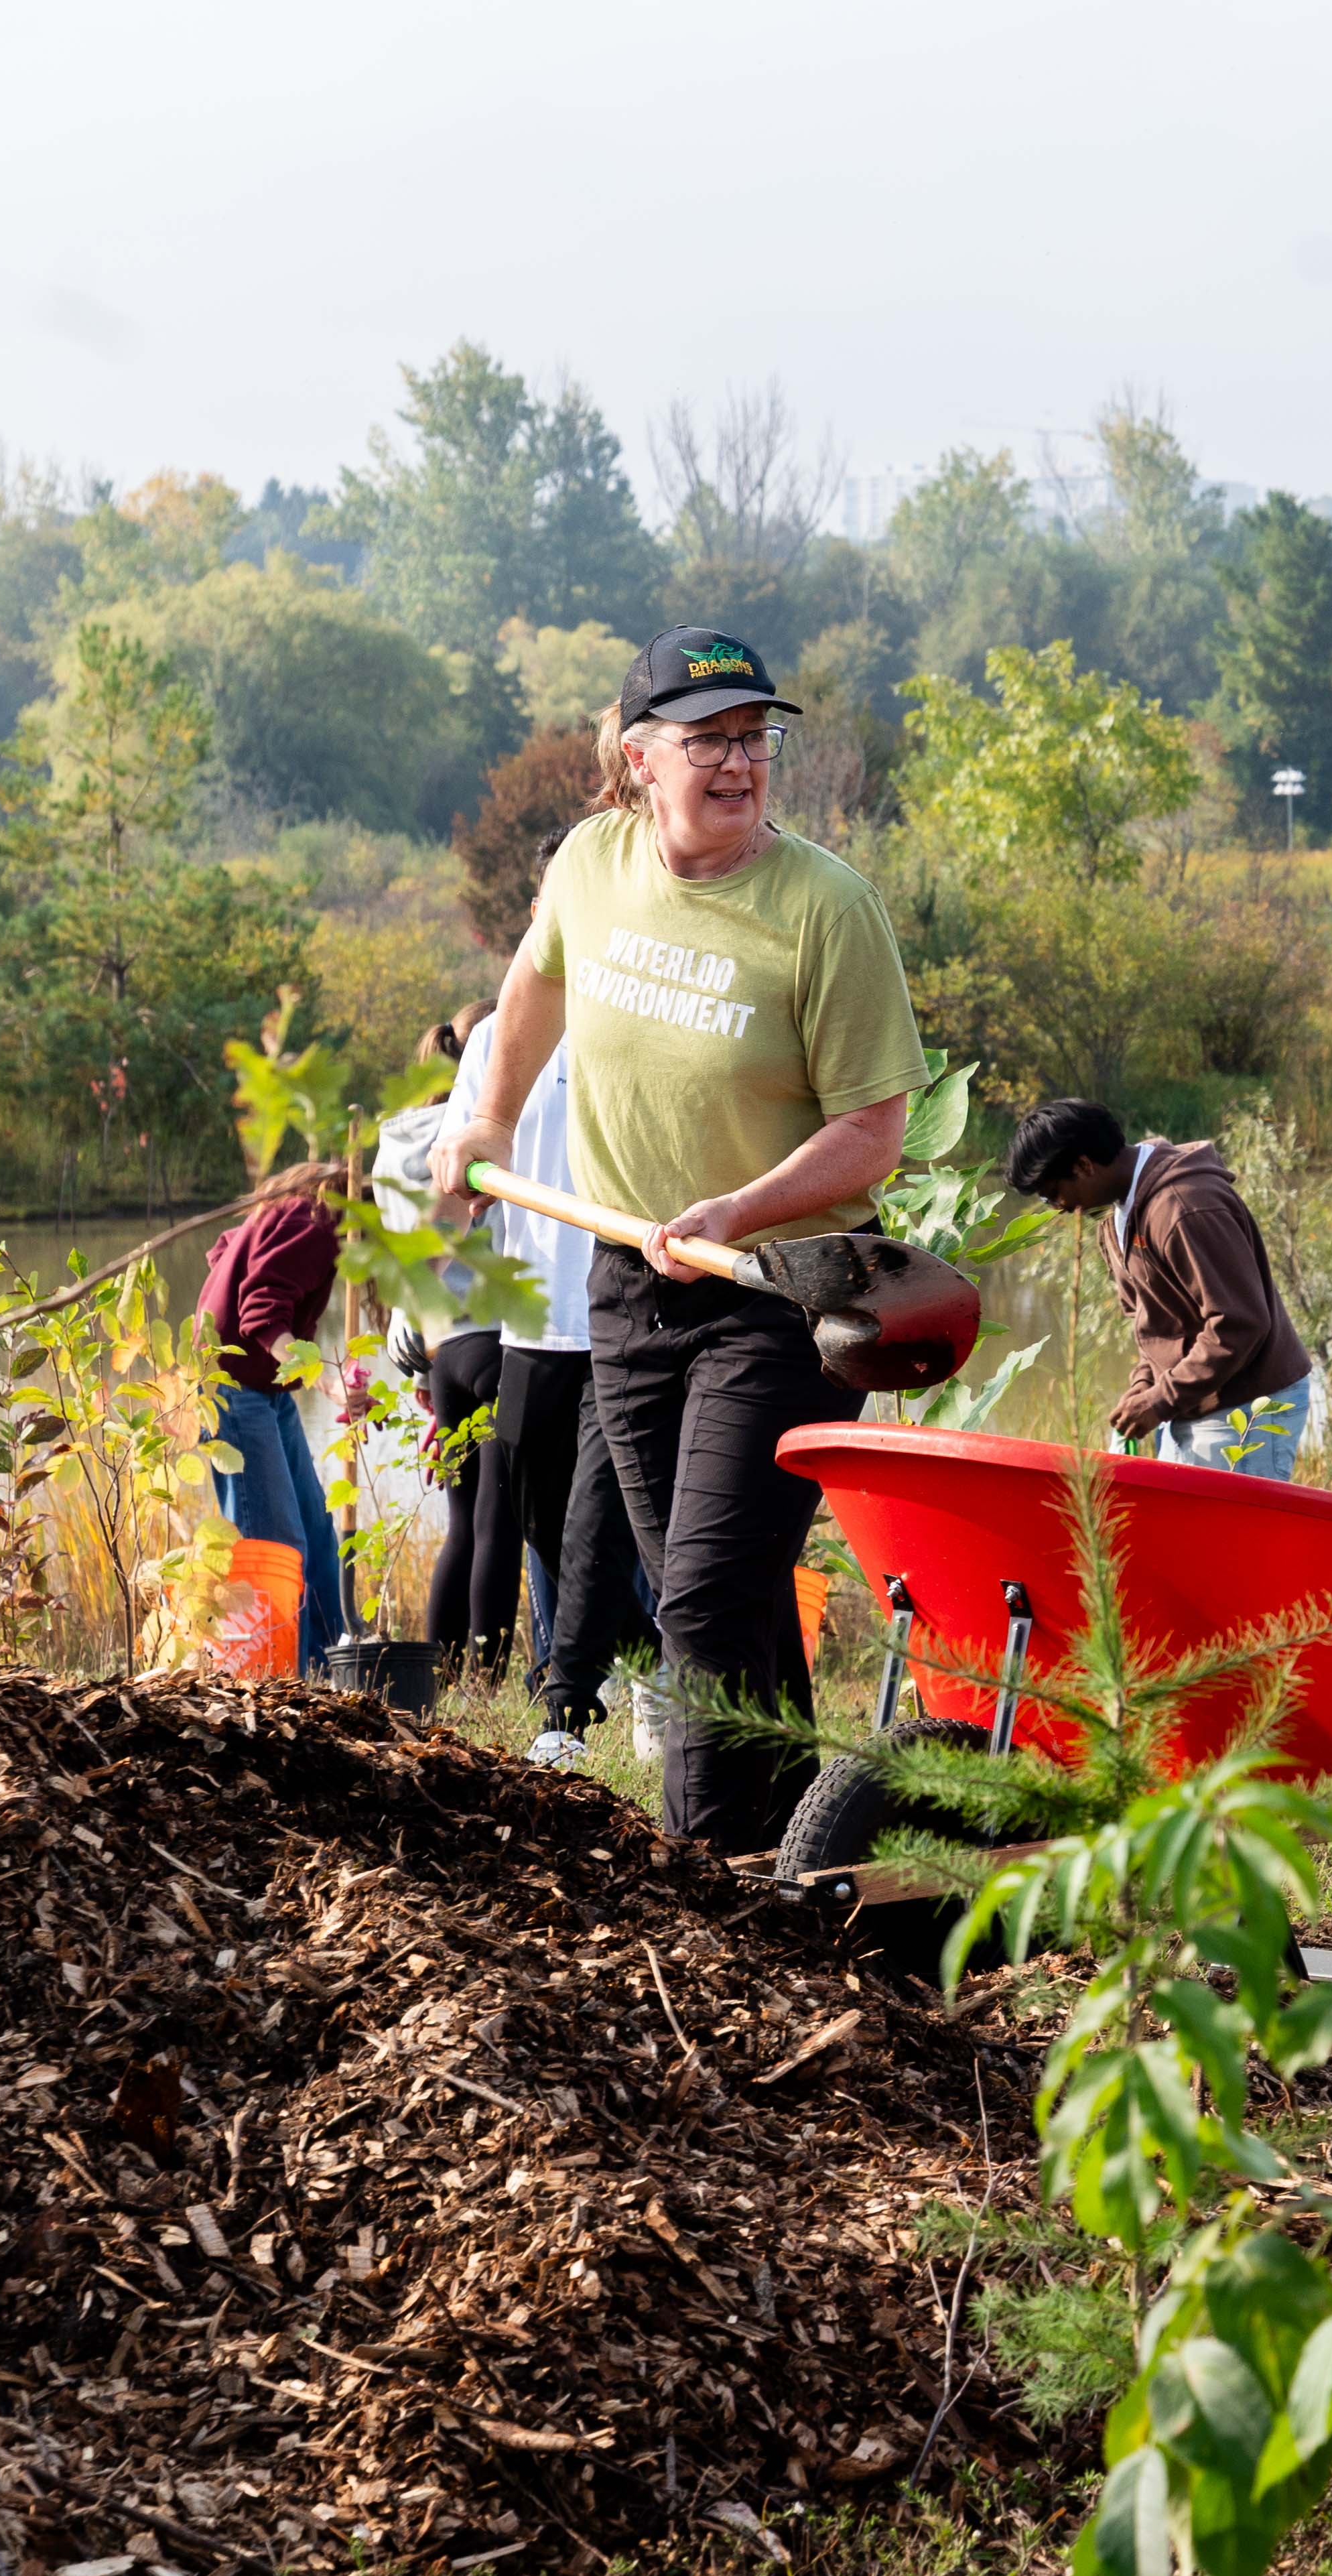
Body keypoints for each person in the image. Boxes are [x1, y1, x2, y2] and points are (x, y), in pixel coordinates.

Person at [429, 626, 925, 1851]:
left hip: (783, 1288)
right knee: (727, 1598)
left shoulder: (826, 908)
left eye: (754, 739)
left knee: (699, 1600)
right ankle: (808, 1849)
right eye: (708, 741)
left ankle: (704, 1870)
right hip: (631, 1285)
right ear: (638, 757)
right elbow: (534, 985)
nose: (739, 763)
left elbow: (874, 1132)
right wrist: (484, 1114)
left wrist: (739, 1211)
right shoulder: (592, 861)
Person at [438, 992, 653, 1765]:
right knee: (542, 1523)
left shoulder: (640, 1016)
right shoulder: (498, 1037)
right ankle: (658, 1660)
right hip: (529, 1320)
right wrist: (452, 1180)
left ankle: (564, 1714)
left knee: (597, 1522)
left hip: (623, 1314)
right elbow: (455, 1167)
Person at [1002, 1096, 1315, 1479]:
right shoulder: (1115, 1216)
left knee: (1228, 1539)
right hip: (1194, 1401)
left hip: (1246, 1409)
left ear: (1084, 1166)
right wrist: (1144, 1386)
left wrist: (1161, 1401)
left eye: (1053, 1193)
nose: (1056, 1207)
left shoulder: (1185, 1207)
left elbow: (1240, 1323)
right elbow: (1151, 1324)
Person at [373, 1002, 511, 1675]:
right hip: (500, 1338)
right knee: (501, 1522)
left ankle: (446, 1670)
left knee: (463, 1521)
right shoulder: (486, 1137)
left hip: (439, 1350)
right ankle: (490, 1675)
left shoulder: (396, 1145)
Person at [196, 1165, 352, 1671]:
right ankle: (279, 1683)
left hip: (266, 1390)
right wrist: (329, 1383)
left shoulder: (297, 1212)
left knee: (314, 1531)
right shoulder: (318, 1222)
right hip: (233, 1390)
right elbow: (261, 1311)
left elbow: (226, 1248)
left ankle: (333, 1671)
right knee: (278, 1548)